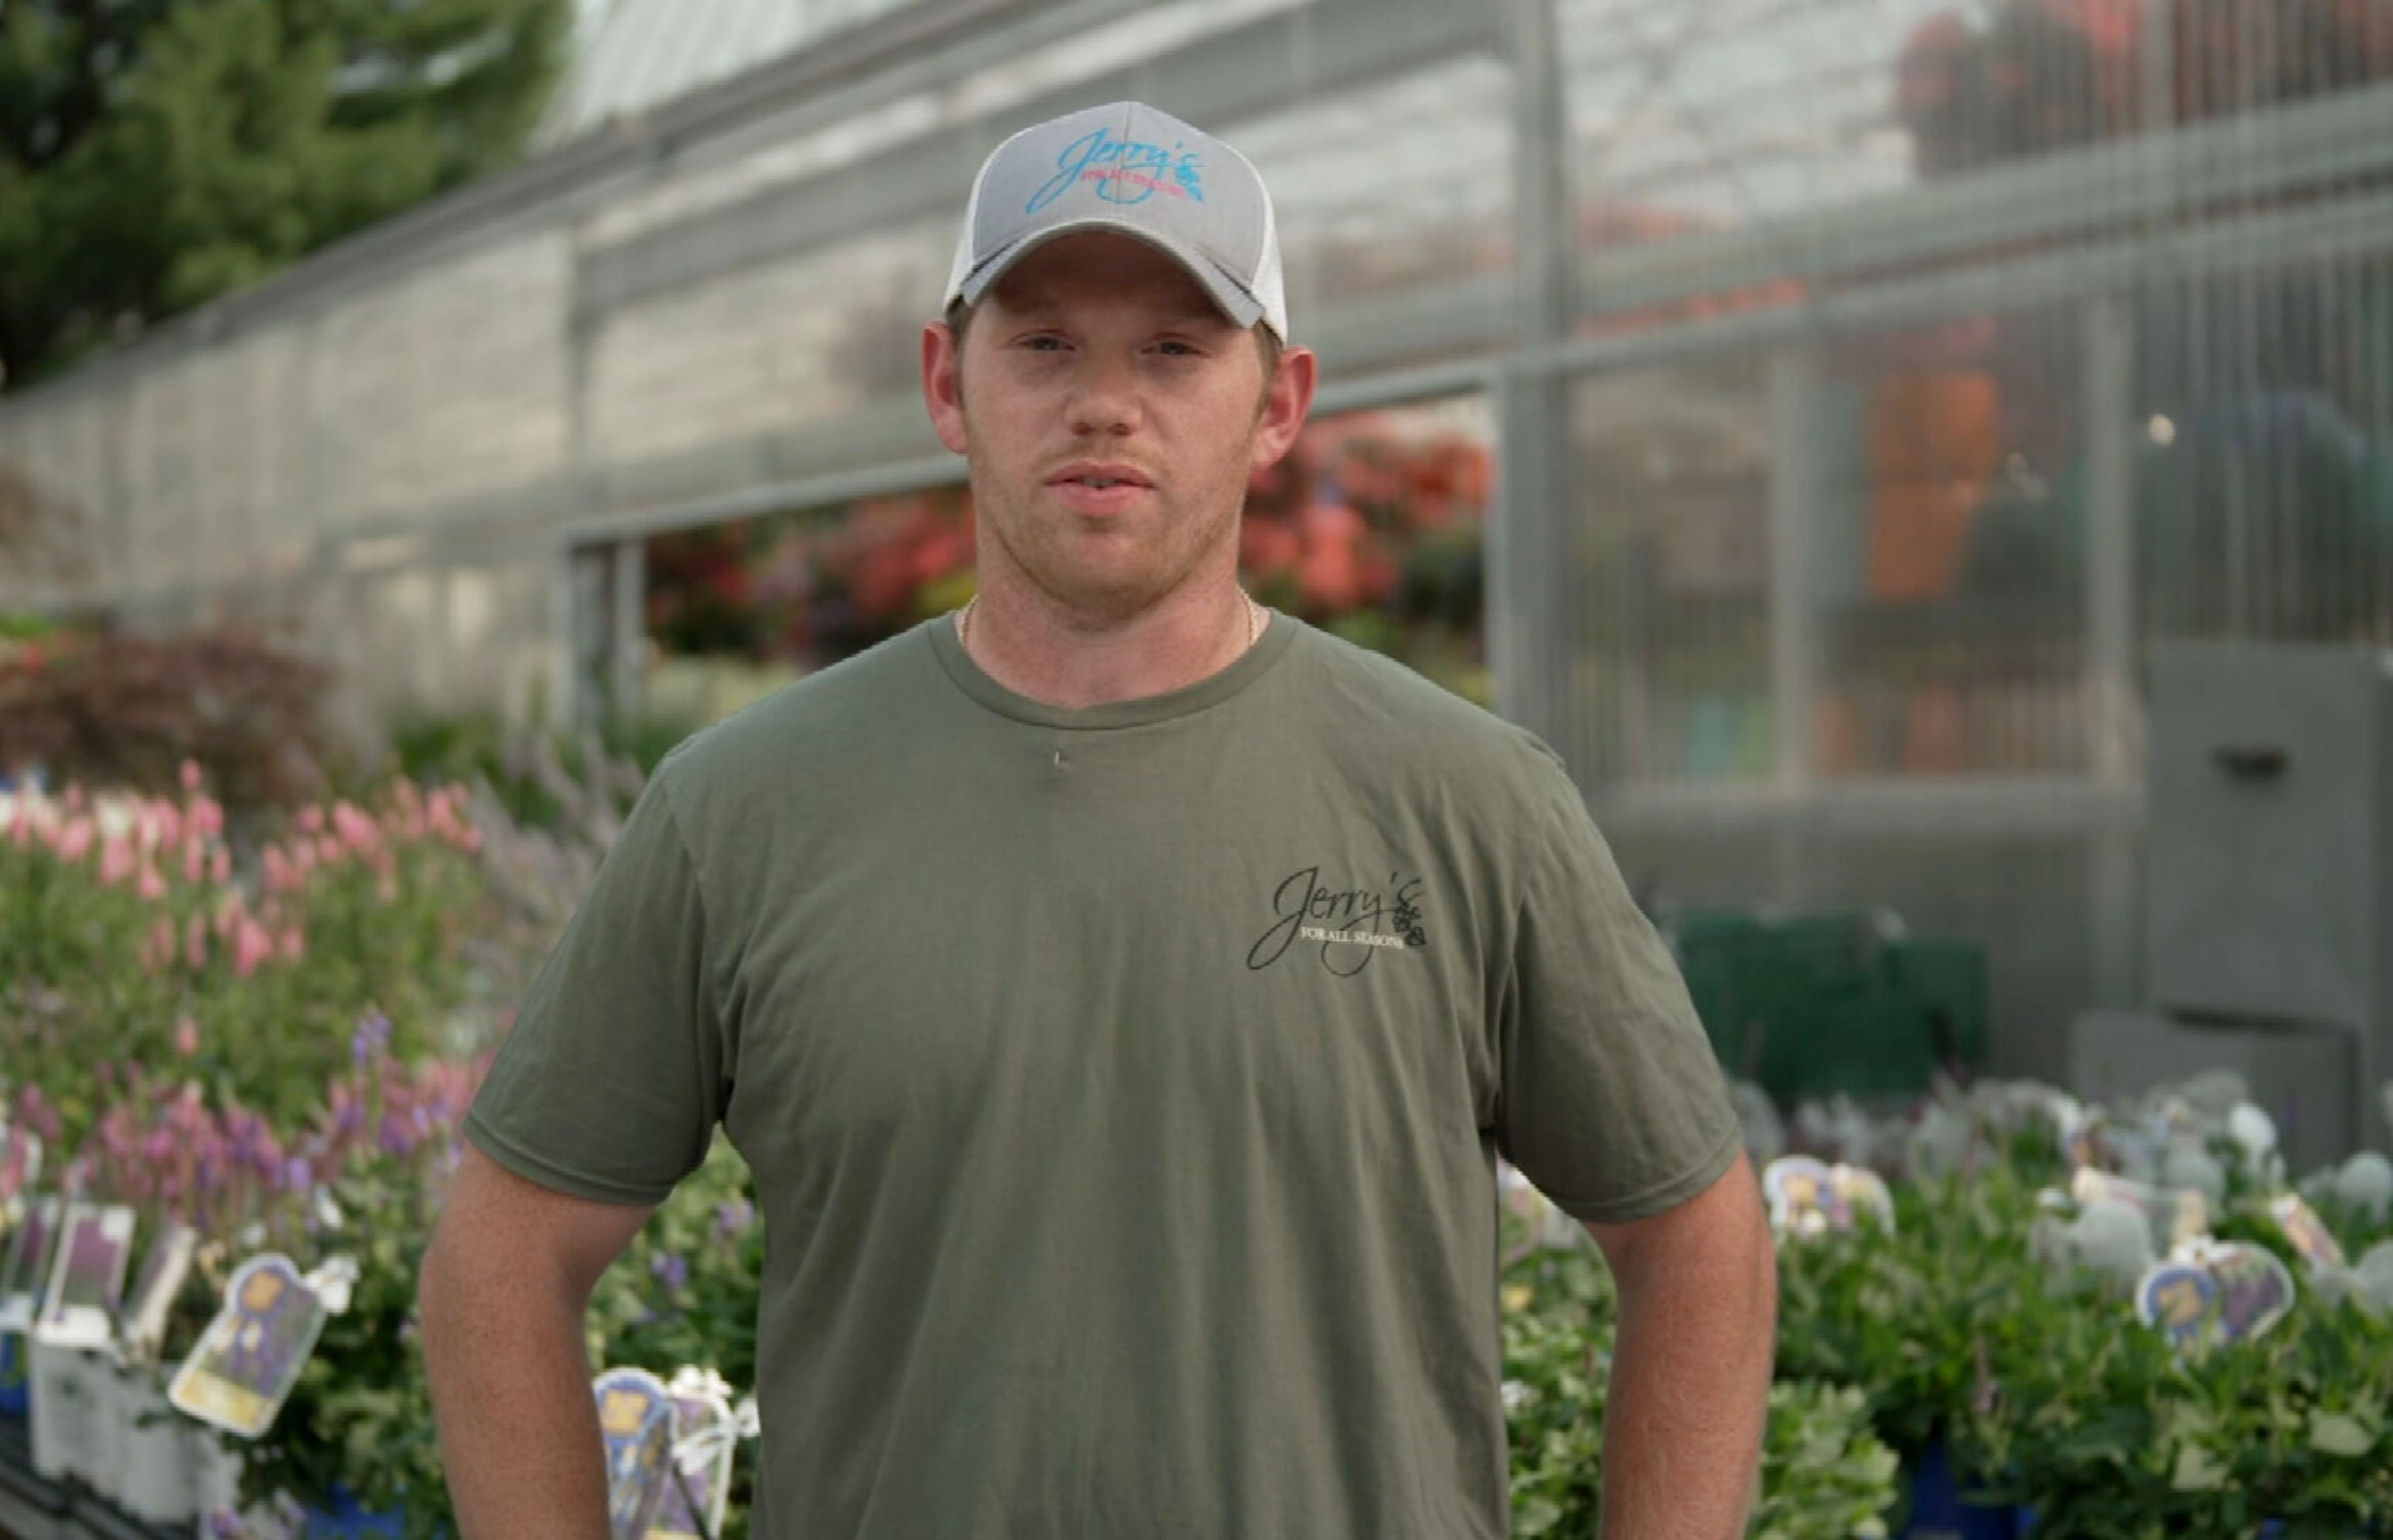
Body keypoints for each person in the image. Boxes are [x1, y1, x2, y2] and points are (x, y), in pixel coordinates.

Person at [422, 100, 1776, 1539]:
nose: (1104, 403)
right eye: (1045, 342)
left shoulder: (1467, 800)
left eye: (1177, 350)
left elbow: (1695, 1233)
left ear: (1279, 402)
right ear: (949, 384)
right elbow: (501, 1257)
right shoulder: (744, 809)